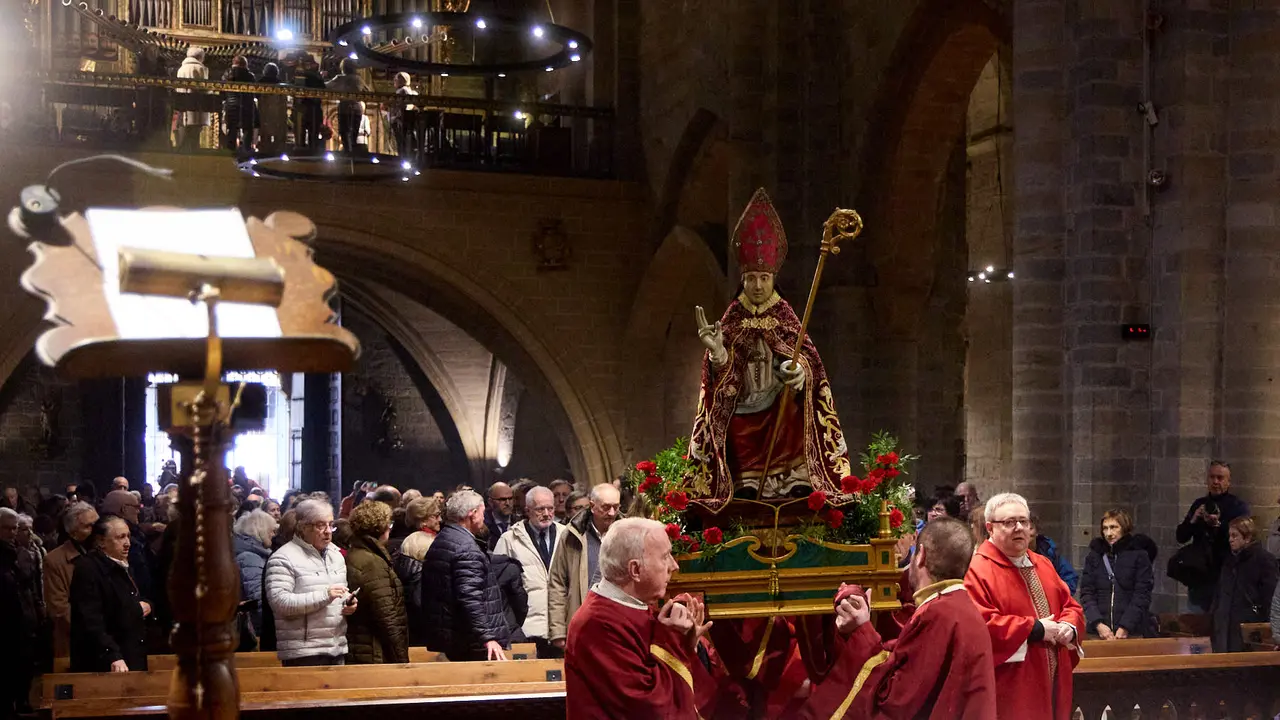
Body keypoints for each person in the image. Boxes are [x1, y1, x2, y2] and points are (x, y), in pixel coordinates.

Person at [689, 188, 853, 504]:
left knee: (792, 413)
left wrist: (800, 372)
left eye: (764, 277)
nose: (759, 285)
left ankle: (793, 479)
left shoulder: (785, 316)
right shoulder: (733, 318)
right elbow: (722, 377)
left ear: (772, 278)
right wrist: (718, 352)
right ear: (743, 279)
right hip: (745, 403)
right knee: (737, 426)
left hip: (780, 401)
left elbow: (810, 363)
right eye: (752, 278)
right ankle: (745, 481)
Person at [799, 517, 996, 719]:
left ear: (921, 555)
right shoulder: (960, 607)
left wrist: (863, 631)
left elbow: (897, 699)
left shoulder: (938, 613)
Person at [564, 517, 713, 719]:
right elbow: (649, 707)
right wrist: (674, 640)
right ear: (635, 570)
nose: (674, 565)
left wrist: (690, 642)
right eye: (665, 556)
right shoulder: (598, 624)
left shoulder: (637, 607)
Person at [964, 493, 1084, 720]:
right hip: (1012, 683)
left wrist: (1070, 626)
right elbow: (980, 625)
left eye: (1024, 521)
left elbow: (1071, 605)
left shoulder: (1042, 563)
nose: (1019, 528)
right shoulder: (977, 570)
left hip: (1053, 678)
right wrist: (1035, 629)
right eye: (1009, 522)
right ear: (990, 528)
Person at [264, 499, 357, 666]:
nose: (328, 531)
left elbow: (338, 591)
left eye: (331, 525)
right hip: (303, 653)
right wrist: (325, 595)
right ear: (303, 527)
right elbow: (280, 603)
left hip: (337, 647)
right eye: (320, 525)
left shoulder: (335, 556)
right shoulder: (283, 558)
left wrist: (348, 601)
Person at [421, 490, 510, 661]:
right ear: (473, 514)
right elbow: (469, 598)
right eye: (483, 512)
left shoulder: (444, 538)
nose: (484, 518)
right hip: (469, 640)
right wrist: (487, 637)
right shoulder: (466, 548)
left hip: (451, 636)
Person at [69, 517, 151, 672]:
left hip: (131, 650)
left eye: (128, 536)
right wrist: (112, 654)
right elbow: (91, 618)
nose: (127, 542)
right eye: (120, 537)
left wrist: (147, 606)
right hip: (104, 660)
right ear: (101, 541)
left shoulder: (124, 565)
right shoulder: (88, 569)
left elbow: (135, 598)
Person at [494, 486, 566, 657]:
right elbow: (497, 588)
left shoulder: (567, 535)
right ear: (528, 510)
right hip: (527, 628)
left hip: (562, 628)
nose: (547, 514)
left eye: (550, 508)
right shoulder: (510, 539)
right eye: (540, 509)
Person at [548, 483, 621, 650]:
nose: (611, 513)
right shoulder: (572, 534)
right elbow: (557, 583)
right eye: (606, 507)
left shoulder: (627, 532)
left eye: (616, 507)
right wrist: (558, 631)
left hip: (618, 621)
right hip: (583, 619)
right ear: (592, 506)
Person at [1175, 460, 1250, 611]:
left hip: (1225, 573)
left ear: (1228, 482)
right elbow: (1181, 536)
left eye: (1220, 478)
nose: (1215, 482)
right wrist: (1194, 519)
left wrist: (1217, 525)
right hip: (1199, 576)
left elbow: (1243, 538)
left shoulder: (1237, 506)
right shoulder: (1199, 504)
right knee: (1196, 623)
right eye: (1212, 477)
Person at [344, 501, 409, 664]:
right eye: (389, 524)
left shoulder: (357, 552)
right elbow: (387, 616)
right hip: (375, 651)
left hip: (363, 648)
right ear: (380, 528)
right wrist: (402, 659)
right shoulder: (372, 563)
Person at [1079, 509, 1156, 640]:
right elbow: (1087, 593)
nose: (1109, 533)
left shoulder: (1139, 555)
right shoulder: (1095, 556)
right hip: (1099, 631)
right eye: (1105, 528)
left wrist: (1126, 625)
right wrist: (1098, 623)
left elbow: (1142, 594)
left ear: (1124, 528)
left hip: (1131, 630)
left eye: (1114, 527)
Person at [1211, 516, 1277, 652]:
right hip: (1224, 626)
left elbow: (1269, 598)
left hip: (1248, 628)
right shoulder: (1229, 561)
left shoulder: (1264, 561)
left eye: (1235, 535)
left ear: (1247, 537)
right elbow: (1220, 593)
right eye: (1229, 535)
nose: (1230, 540)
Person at [45, 501, 98, 658]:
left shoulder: (106, 553)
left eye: (97, 524)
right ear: (73, 533)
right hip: (75, 641)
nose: (95, 531)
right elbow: (59, 608)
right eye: (88, 526)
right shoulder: (55, 560)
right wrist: (95, 627)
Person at [0, 508, 39, 715]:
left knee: (24, 664)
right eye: (7, 528)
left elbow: (29, 585)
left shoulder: (22, 553)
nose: (12, 532)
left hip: (24, 618)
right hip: (5, 619)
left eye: (15, 528)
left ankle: (22, 699)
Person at [393, 499, 439, 647]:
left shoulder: (413, 543)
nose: (440, 519)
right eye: (436, 515)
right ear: (423, 519)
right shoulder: (419, 543)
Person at [233, 509, 277, 634]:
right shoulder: (250, 558)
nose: (273, 535)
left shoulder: (253, 554)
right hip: (255, 628)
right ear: (261, 531)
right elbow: (258, 597)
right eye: (271, 531)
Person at [325, 57, 368, 153]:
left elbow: (327, 86)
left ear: (343, 67)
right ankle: (352, 152)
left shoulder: (340, 78)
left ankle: (347, 152)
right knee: (354, 132)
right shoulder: (359, 79)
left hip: (345, 106)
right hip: (357, 107)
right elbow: (368, 91)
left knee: (344, 131)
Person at [1029, 515, 1078, 594]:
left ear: (1037, 532)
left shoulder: (1048, 551)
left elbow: (1070, 577)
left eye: (1030, 528)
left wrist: (1057, 596)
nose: (1026, 532)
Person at [175, 47, 210, 151]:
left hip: (183, 104)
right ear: (200, 57)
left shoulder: (181, 68)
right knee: (195, 131)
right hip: (196, 105)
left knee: (184, 130)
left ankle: (183, 152)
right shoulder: (200, 68)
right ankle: (194, 151)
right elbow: (204, 88)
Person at [484, 482, 515, 551]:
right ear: (490, 502)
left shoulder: (522, 524)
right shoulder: (482, 525)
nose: (507, 503)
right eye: (502, 499)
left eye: (510, 499)